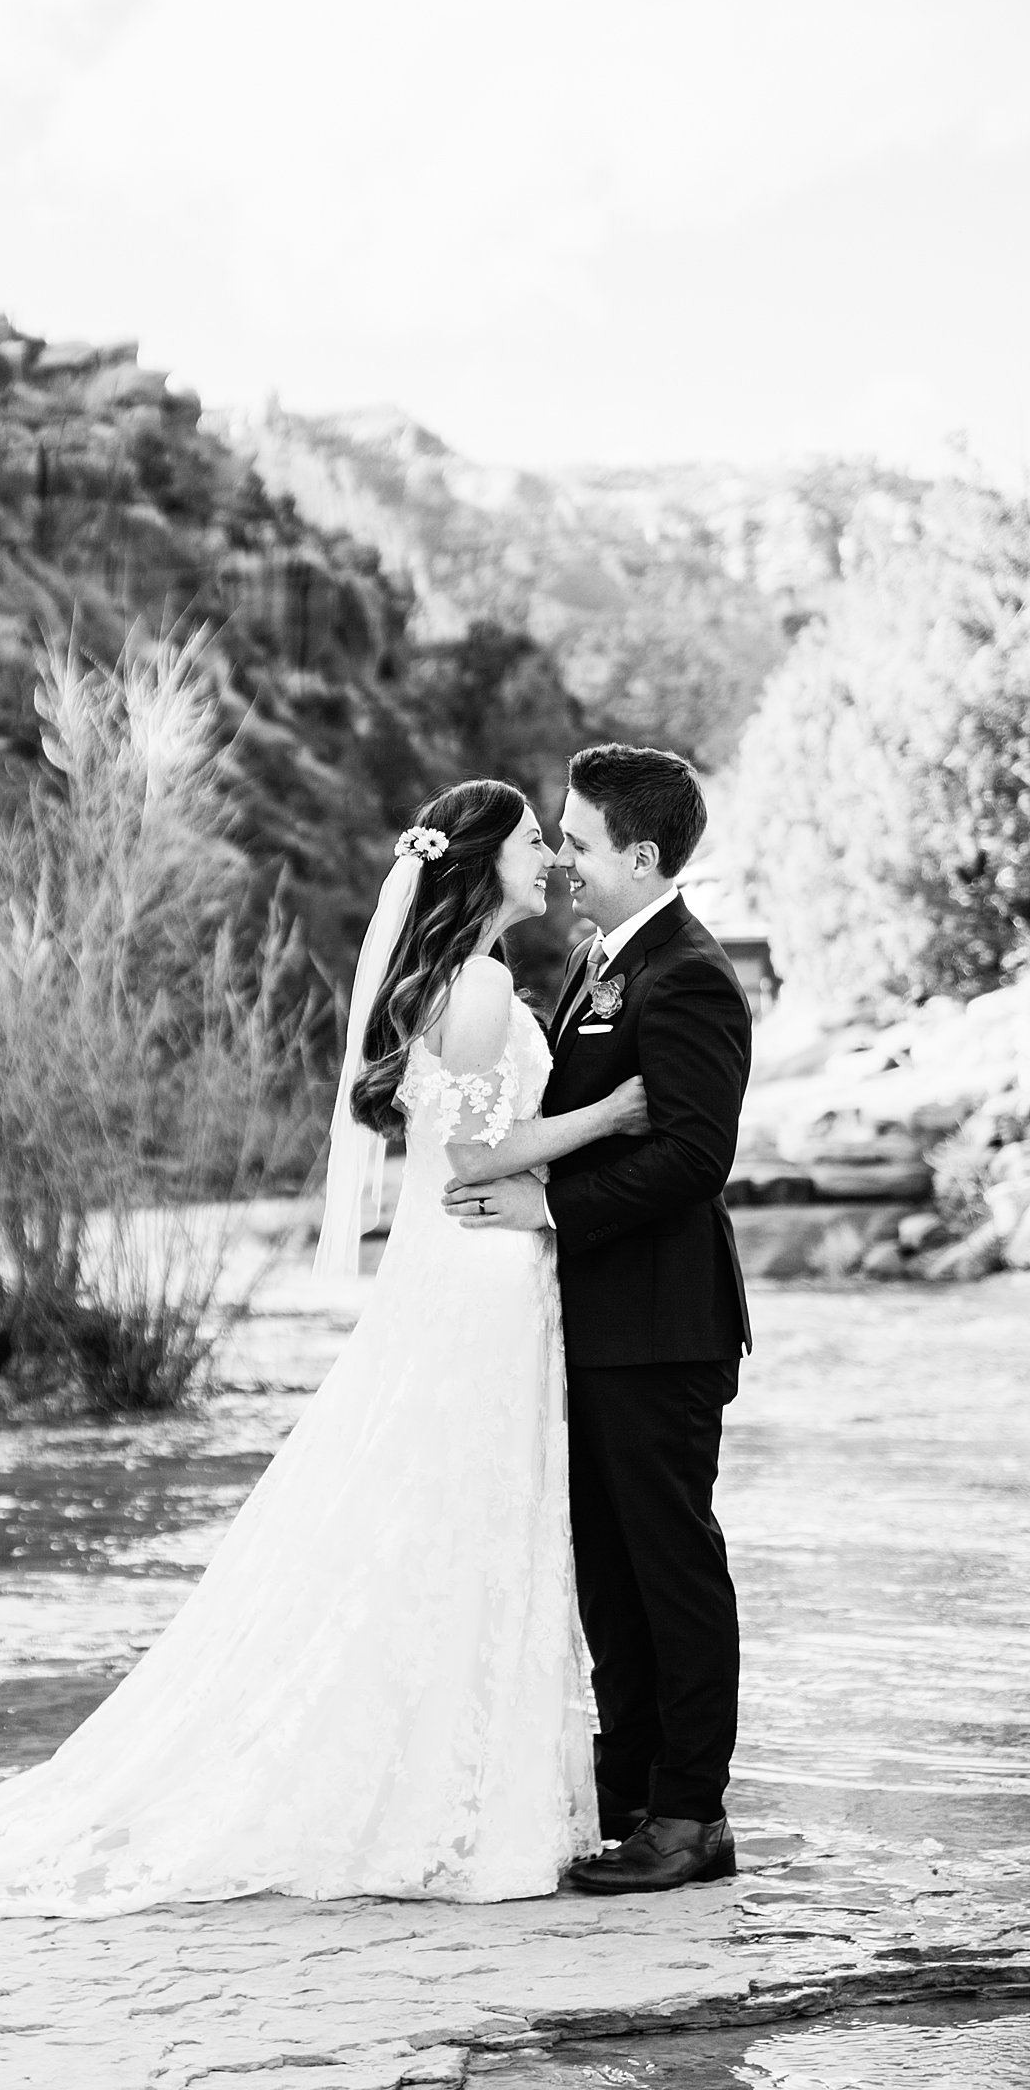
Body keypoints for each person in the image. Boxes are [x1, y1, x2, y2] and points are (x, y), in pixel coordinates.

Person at [0, 777, 650, 1916]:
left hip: (458, 1277)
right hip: (481, 1272)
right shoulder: (488, 983)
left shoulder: (457, 979)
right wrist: (611, 1116)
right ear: (485, 859)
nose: (549, 854)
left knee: (439, 1518)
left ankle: (439, 1781)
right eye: (534, 841)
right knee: (464, 1517)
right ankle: (450, 1797)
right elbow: (476, 1157)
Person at [444, 744, 752, 1894]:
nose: (562, 857)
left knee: (671, 1566)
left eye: (576, 841)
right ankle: (627, 1791)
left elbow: (689, 1161)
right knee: (607, 1576)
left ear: (641, 854)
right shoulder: (593, 960)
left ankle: (691, 1816)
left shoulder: (691, 976)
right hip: (584, 1324)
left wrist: (546, 1205)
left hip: (665, 1327)